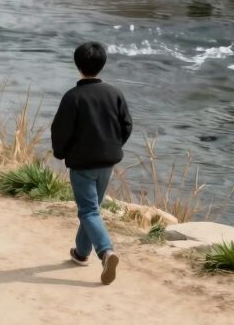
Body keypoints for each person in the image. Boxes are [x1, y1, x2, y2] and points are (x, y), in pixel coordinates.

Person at [51, 41, 131, 286]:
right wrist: (114, 145)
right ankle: (81, 252)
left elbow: (60, 130)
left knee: (88, 211)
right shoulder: (115, 93)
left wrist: (60, 153)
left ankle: (106, 252)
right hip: (107, 162)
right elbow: (126, 125)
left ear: (78, 65)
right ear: (102, 64)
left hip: (82, 165)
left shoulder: (73, 97)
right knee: (92, 209)